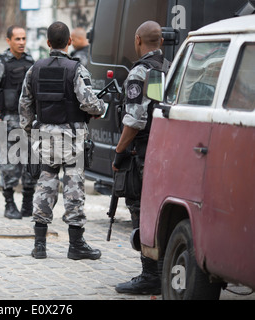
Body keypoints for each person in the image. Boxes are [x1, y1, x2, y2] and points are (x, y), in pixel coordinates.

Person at [19, 21, 106, 260]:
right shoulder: (76, 69)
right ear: (69, 42)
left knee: (45, 184)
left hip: (44, 136)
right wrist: (101, 107)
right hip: (71, 137)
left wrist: (30, 131)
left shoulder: (34, 69)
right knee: (73, 188)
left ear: (48, 43)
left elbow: (24, 105)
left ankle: (39, 246)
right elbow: (89, 103)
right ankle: (76, 245)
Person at [112, 21, 170, 295]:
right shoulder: (168, 67)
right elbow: (157, 106)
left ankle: (150, 274)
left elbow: (135, 120)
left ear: (138, 40)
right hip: (168, 149)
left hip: (145, 152)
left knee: (141, 208)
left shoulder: (140, 72)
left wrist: (120, 151)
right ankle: (162, 271)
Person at [0, 25, 36, 220]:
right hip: (8, 120)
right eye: (17, 39)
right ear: (8, 41)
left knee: (31, 165)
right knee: (9, 165)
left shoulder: (32, 62)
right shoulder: (0, 64)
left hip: (30, 122)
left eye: (23, 39)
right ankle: (9, 204)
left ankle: (27, 204)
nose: (21, 42)